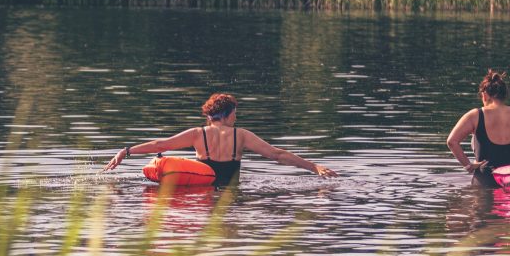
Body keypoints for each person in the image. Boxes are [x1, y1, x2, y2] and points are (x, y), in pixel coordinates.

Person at [103, 92, 338, 185]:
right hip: (230, 197)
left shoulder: (197, 134)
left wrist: (126, 151)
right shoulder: (241, 135)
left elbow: (160, 145)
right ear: (226, 114)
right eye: (235, 112)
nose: (236, 116)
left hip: (201, 196)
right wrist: (313, 167)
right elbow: (277, 155)